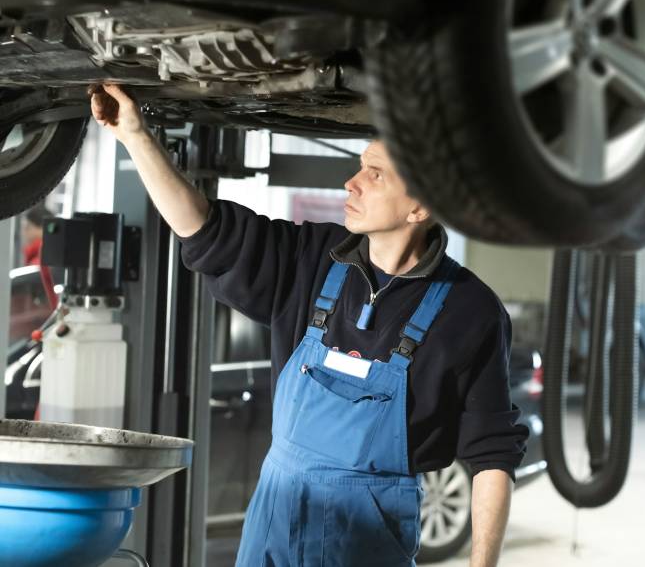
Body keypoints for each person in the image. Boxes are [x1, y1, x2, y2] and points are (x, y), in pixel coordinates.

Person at [90, 82, 530, 567]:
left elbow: (492, 454)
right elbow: (205, 232)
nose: (352, 182)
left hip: (364, 541)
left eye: (375, 174)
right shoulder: (313, 259)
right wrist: (135, 135)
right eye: (360, 166)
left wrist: (483, 563)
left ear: (419, 208)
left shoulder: (471, 312)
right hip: (272, 522)